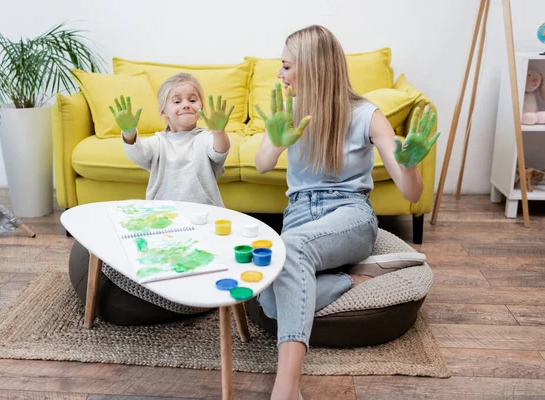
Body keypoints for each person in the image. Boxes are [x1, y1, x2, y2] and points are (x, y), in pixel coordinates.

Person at [254, 25, 440, 400]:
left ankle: (286, 387)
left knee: (289, 249)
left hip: (350, 215)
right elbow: (260, 165)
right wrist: (275, 144)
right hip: (300, 217)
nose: (280, 75)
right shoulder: (287, 112)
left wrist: (411, 166)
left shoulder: (366, 115)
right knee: (269, 303)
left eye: (287, 67)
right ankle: (355, 280)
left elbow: (410, 192)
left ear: (312, 67)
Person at [109, 72, 234, 207]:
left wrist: (219, 132)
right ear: (163, 112)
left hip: (204, 211)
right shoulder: (158, 142)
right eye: (177, 101)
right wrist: (129, 132)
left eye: (192, 100)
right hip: (164, 213)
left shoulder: (206, 138)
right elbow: (138, 155)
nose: (186, 105)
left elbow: (220, 151)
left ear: (201, 108)